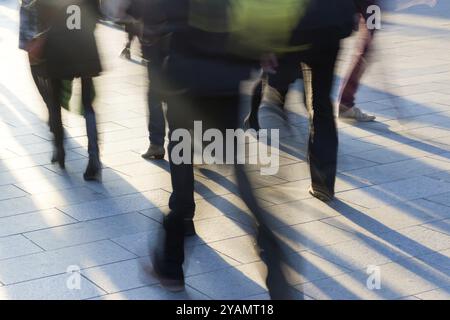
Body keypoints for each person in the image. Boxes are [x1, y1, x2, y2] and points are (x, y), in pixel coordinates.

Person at [39, 0, 103, 180]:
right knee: (87, 103)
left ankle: (59, 147)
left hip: (58, 47)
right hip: (85, 46)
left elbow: (43, 14)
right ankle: (94, 156)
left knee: (55, 99)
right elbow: (96, 16)